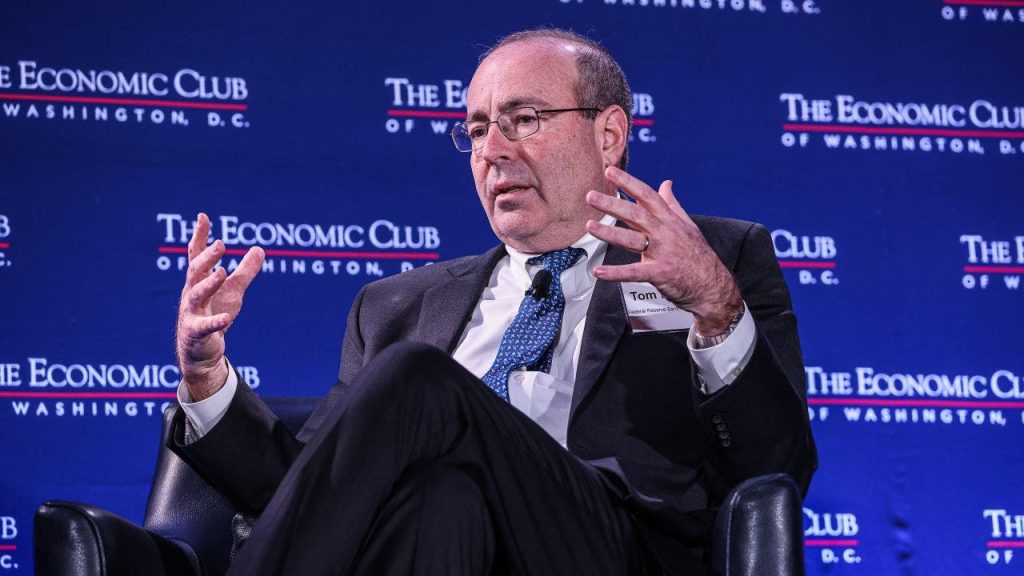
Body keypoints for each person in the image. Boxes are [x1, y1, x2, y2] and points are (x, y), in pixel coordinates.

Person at [172, 28, 817, 575]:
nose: (492, 151)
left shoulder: (717, 259)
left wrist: (717, 308)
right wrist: (206, 379)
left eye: (524, 120)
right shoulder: (393, 306)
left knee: (417, 374)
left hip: (612, 548)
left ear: (609, 135)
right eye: (478, 130)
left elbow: (777, 467)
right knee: (441, 499)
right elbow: (308, 494)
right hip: (438, 542)